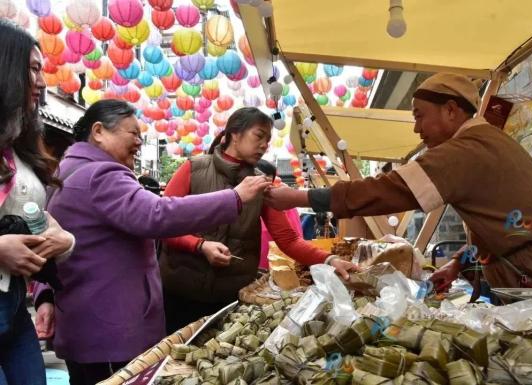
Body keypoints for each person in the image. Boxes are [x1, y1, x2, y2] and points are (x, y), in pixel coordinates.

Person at [265, 73, 532, 291]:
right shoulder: (487, 141)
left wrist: (298, 198)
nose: (416, 128)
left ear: (451, 111)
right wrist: (458, 264)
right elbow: (495, 223)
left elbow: (386, 191)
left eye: (418, 115)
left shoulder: (466, 149)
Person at [33, 100, 270, 385]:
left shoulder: (64, 172)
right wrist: (234, 198)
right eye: (132, 133)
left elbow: (46, 238)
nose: (138, 142)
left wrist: (44, 295)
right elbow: (158, 213)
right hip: (111, 331)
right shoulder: (102, 174)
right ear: (98, 131)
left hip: (80, 324)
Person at [160, 107, 357, 333]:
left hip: (229, 298)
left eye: (268, 139)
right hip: (180, 291)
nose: (264, 145)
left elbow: (289, 240)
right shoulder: (193, 169)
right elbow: (164, 226)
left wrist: (330, 259)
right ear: (235, 134)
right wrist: (200, 245)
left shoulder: (260, 185)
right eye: (259, 136)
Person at [0, 20, 75, 385]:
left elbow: (33, 213)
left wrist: (63, 240)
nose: (42, 83)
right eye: (32, 69)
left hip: (12, 306)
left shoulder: (17, 148)